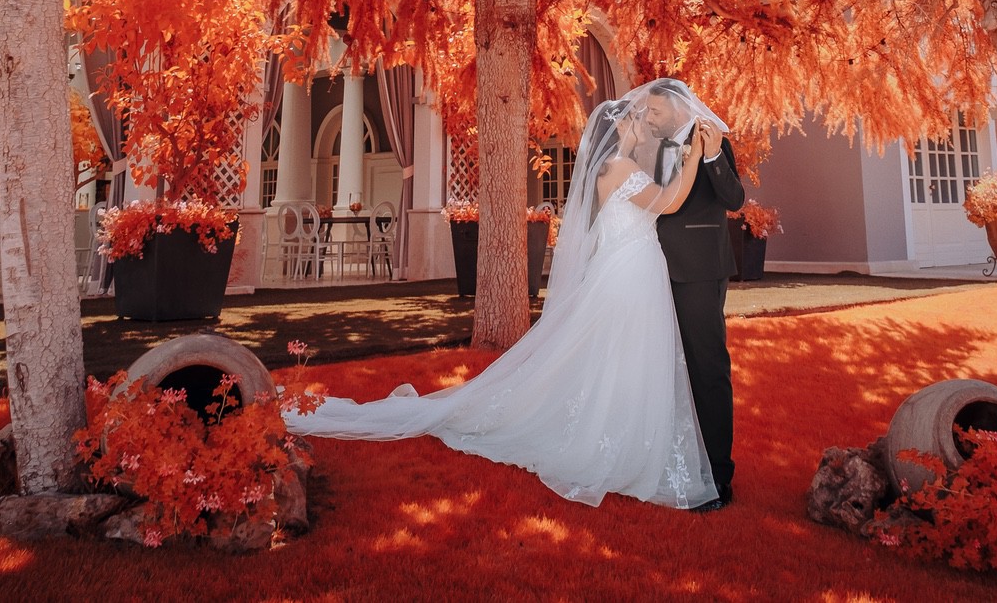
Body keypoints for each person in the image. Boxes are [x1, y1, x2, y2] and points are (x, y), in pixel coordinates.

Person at [283, 79, 731, 509]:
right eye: (638, 119)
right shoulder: (621, 169)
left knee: (627, 359)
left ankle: (633, 436)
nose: (644, 123)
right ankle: (620, 443)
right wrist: (696, 158)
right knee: (623, 358)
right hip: (630, 272)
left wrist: (700, 155)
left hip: (636, 270)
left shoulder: (628, 165)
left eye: (648, 115)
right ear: (619, 131)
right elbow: (668, 203)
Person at [650, 80, 746, 509]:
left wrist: (710, 156)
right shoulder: (649, 146)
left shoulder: (711, 139)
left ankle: (718, 475)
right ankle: (673, 462)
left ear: (677, 109)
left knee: (707, 368)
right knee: (662, 367)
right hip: (648, 271)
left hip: (700, 271)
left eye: (656, 112)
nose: (650, 118)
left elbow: (735, 199)